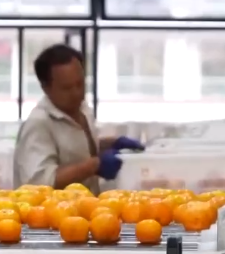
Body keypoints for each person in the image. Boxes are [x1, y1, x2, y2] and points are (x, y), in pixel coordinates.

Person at [13, 44, 145, 194]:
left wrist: (111, 143)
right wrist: (93, 166)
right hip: (56, 208)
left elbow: (76, 150)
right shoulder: (39, 124)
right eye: (67, 88)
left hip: (86, 204)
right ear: (45, 87)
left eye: (80, 84)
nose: (76, 93)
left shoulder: (82, 109)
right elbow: (39, 182)